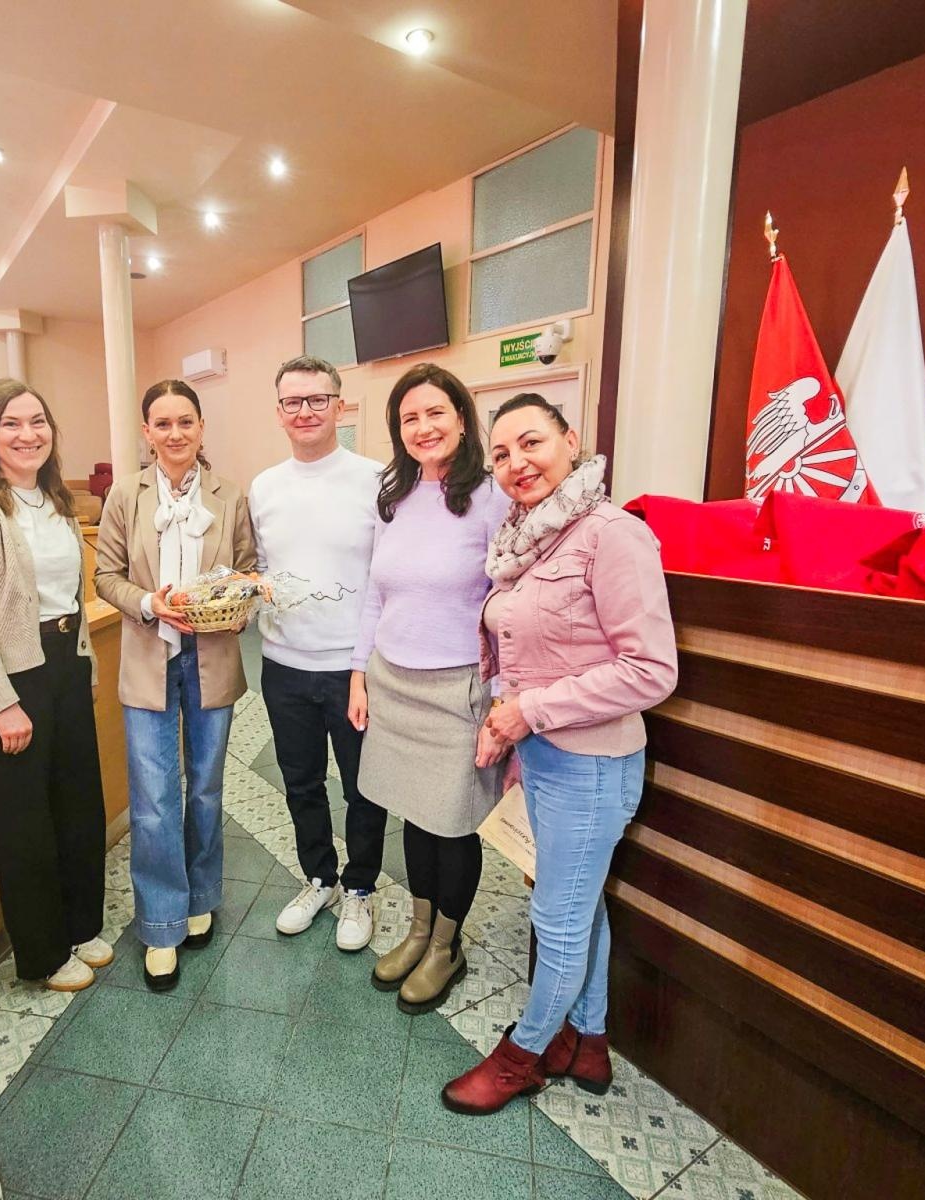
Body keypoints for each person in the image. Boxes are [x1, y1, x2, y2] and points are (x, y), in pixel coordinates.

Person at [441, 393, 677, 1115]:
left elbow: (651, 671)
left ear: (571, 442)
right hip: (545, 756)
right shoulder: (530, 536)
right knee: (579, 905)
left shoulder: (612, 535)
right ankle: (592, 1040)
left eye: (532, 443)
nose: (517, 464)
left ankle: (524, 1056)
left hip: (593, 764)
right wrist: (507, 719)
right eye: (502, 454)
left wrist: (525, 712)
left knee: (559, 918)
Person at [0, 378, 110, 993]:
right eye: (11, 424)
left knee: (78, 806)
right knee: (24, 826)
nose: (27, 434)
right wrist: (3, 702)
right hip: (4, 679)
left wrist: (80, 667)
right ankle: (43, 953)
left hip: (62, 664)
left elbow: (71, 599)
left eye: (38, 421)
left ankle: (82, 924)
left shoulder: (57, 500)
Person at [351, 362, 510, 1012]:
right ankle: (419, 930)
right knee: (414, 815)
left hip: (458, 690)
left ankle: (448, 945)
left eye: (434, 412)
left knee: (452, 824)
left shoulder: (493, 497)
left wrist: (502, 694)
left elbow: (510, 601)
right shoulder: (396, 491)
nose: (423, 427)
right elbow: (373, 592)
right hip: (394, 681)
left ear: (462, 416)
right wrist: (359, 672)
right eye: (409, 417)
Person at [94, 379, 255, 991]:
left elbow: (247, 569)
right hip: (147, 656)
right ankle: (161, 923)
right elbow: (105, 575)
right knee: (156, 795)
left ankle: (200, 897)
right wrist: (147, 603)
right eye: (162, 424)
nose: (175, 433)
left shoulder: (229, 494)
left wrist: (237, 604)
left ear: (201, 427)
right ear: (147, 433)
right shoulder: (124, 497)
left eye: (185, 421)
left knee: (207, 788)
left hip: (211, 654)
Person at [250, 355, 385, 950]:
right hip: (282, 664)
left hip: (354, 668)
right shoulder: (264, 486)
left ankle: (359, 888)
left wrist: (369, 663)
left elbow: (388, 576)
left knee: (364, 786)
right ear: (278, 412)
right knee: (300, 781)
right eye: (292, 402)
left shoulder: (375, 479)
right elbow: (258, 568)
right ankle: (319, 877)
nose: (305, 411)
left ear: (339, 404)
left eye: (316, 400)